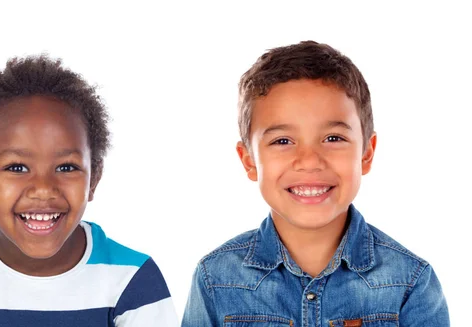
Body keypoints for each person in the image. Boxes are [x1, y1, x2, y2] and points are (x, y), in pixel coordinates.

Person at [181, 41, 449, 326]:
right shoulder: (215, 279)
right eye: (282, 141)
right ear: (248, 160)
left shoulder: (410, 283)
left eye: (333, 138)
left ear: (366, 154)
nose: (309, 161)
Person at [0, 55, 178, 326]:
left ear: (93, 180)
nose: (44, 189)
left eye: (66, 168)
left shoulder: (131, 279)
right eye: (17, 168)